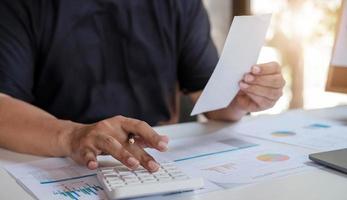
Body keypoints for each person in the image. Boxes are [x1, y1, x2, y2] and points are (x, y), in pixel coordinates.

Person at [0, 0, 285, 172]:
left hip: (154, 162)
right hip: (53, 160)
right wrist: (74, 136)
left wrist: (242, 98)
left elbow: (213, 103)